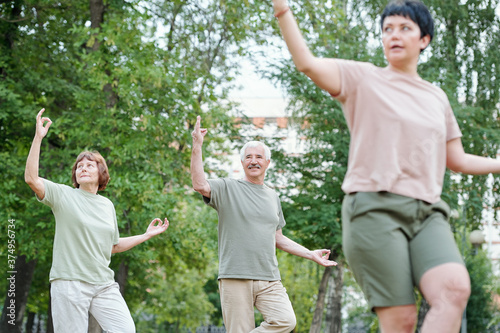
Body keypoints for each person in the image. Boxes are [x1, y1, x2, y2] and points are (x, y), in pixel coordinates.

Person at [271, 0, 500, 332]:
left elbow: (458, 160)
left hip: (427, 212)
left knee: (454, 289)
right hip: (374, 210)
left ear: (424, 39)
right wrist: (282, 10)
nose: (394, 35)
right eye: (387, 29)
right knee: (401, 320)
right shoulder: (362, 78)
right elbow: (306, 63)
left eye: (405, 28)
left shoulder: (437, 97)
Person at [25, 108, 169, 333]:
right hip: (70, 282)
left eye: (89, 165)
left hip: (103, 284)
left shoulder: (107, 205)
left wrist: (146, 235)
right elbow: (31, 178)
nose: (83, 168)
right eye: (79, 166)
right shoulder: (63, 195)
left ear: (101, 173)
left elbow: (112, 246)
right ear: (75, 175)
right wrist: (38, 137)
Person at [190, 115, 337, 332]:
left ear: (267, 163)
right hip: (235, 276)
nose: (253, 161)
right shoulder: (227, 188)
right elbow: (199, 183)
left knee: (286, 320)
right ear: (242, 163)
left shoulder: (272, 196)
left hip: (269, 278)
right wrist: (197, 146)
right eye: (248, 157)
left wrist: (310, 254)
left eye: (259, 157)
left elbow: (278, 238)